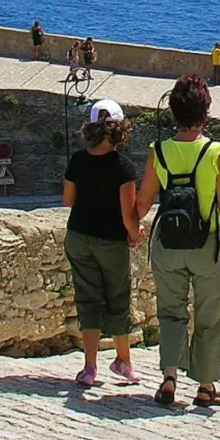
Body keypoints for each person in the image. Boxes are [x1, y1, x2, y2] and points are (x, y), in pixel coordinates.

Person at [135, 75, 220, 408]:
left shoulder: (159, 151)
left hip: (167, 244)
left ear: (174, 111)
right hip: (207, 245)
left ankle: (169, 378)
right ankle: (206, 386)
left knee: (170, 312)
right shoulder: (217, 152)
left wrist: (129, 228)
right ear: (205, 110)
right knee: (210, 314)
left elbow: (142, 203)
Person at [63, 98, 141, 386]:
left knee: (89, 300)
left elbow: (68, 200)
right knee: (118, 300)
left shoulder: (77, 160)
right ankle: (123, 362)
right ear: (120, 128)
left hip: (78, 237)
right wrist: (134, 235)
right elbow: (128, 215)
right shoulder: (123, 167)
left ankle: (89, 368)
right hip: (110, 241)